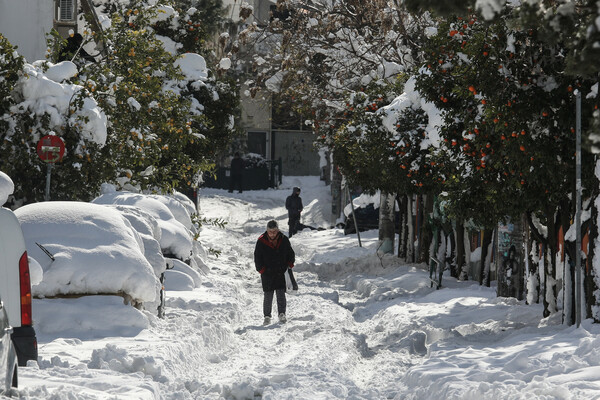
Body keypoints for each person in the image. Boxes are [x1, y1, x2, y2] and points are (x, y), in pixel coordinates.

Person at [254, 220, 296, 325]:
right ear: (267, 231)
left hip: (280, 271)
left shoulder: (284, 240)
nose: (272, 233)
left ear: (278, 230)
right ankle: (267, 316)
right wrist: (262, 270)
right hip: (267, 273)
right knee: (268, 295)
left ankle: (282, 313)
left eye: (274, 231)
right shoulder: (261, 241)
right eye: (270, 231)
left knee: (281, 294)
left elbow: (291, 253)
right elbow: (257, 257)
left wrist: (290, 264)